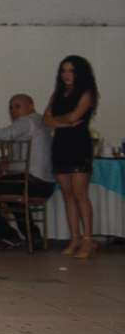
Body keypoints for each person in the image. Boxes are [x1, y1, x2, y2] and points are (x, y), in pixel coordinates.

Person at [0, 94, 55, 249]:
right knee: (8, 190)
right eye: (11, 107)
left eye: (17, 106)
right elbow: (31, 152)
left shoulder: (26, 121)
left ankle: (8, 235)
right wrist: (8, 161)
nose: (13, 110)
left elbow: (6, 133)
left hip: (32, 181)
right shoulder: (40, 123)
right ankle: (32, 235)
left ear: (31, 107)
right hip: (46, 184)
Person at [43, 56, 99, 258]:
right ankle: (74, 237)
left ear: (79, 73)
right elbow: (45, 119)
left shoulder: (86, 93)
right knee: (67, 195)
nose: (67, 75)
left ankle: (88, 239)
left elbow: (75, 117)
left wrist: (60, 121)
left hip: (78, 145)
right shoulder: (57, 94)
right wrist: (63, 122)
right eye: (64, 70)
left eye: (71, 71)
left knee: (79, 193)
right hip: (60, 146)